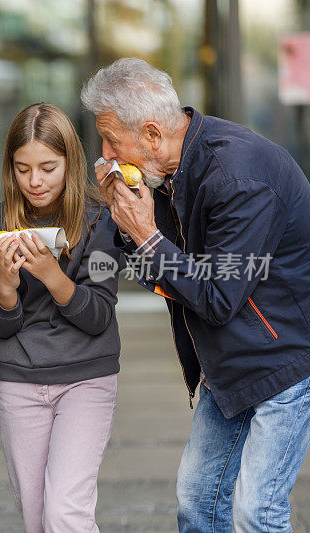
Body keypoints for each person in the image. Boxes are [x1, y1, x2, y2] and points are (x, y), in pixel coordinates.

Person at [81, 57, 310, 532]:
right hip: (226, 363)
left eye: (110, 140)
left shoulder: (236, 175)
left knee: (256, 513)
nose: (102, 152)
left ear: (150, 134)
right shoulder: (163, 172)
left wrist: (145, 237)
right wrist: (130, 231)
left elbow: (217, 296)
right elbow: (163, 274)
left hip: (286, 360)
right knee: (198, 500)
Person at [0, 103, 121, 533]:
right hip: (20, 382)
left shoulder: (103, 223)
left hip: (86, 380)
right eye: (23, 169)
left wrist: (53, 276)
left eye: (48, 167)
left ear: (70, 163)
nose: (35, 181)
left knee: (65, 512)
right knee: (37, 519)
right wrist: (5, 283)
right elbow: (1, 326)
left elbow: (99, 315)